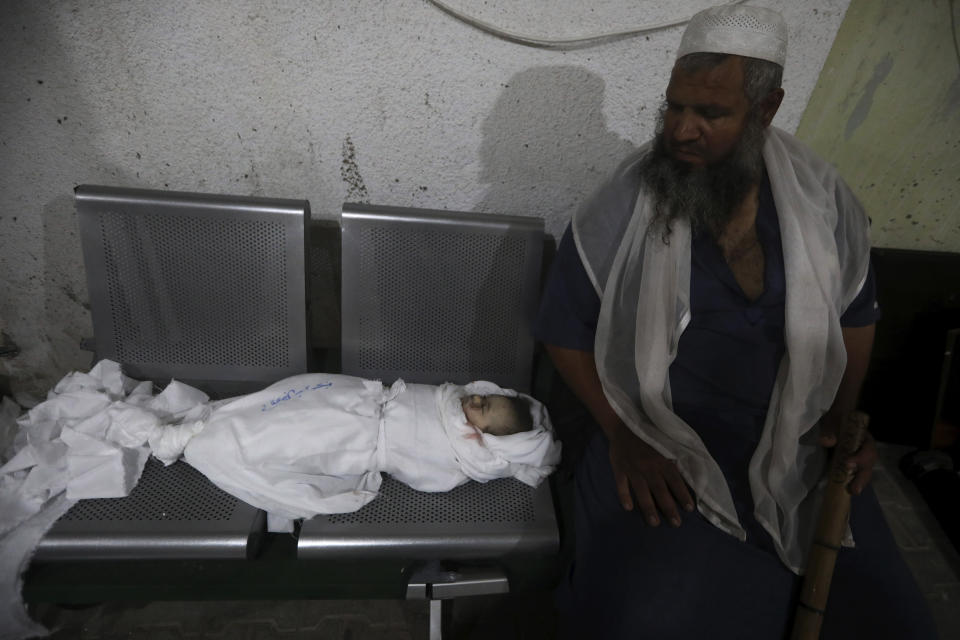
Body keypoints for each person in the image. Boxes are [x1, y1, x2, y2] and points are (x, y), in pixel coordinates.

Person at [535, 5, 936, 638]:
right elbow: (564, 333)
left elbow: (854, 320)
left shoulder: (821, 200)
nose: (683, 131)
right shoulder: (622, 202)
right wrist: (623, 438)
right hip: (657, 433)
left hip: (792, 434)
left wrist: (840, 421)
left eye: (711, 114)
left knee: (888, 617)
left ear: (768, 108)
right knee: (661, 614)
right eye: (674, 107)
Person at [179, 373, 559, 526]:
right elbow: (430, 398)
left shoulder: (462, 458)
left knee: (288, 437)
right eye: (484, 397)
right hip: (357, 400)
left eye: (483, 410)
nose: (474, 399)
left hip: (354, 438)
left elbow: (427, 474)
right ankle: (217, 423)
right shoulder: (451, 399)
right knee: (284, 405)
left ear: (484, 439)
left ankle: (211, 440)